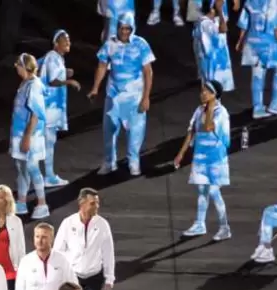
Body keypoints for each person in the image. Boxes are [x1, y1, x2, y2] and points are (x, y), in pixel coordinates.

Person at [91, 15, 156, 176]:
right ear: (117, 27)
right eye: (122, 28)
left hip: (135, 97)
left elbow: (148, 72)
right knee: (109, 129)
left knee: (136, 130)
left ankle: (134, 161)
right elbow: (102, 66)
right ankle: (108, 162)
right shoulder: (110, 44)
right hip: (113, 96)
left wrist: (146, 97)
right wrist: (95, 88)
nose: (124, 31)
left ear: (132, 28)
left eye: (128, 28)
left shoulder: (141, 44)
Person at [172, 83, 234, 242]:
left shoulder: (221, 112)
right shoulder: (199, 109)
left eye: (207, 91)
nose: (203, 93)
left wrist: (211, 107)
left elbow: (208, 127)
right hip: (200, 156)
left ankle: (224, 227)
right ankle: (200, 223)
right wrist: (181, 153)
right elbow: (192, 131)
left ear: (215, 95)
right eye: (203, 91)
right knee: (202, 191)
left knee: (213, 191)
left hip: (216, 158)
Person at [11, 55, 51, 219]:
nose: (16, 68)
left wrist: (27, 136)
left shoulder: (34, 86)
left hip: (31, 134)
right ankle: (21, 201)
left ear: (24, 67)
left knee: (33, 168)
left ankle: (42, 204)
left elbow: (35, 114)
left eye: (18, 65)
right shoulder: (25, 83)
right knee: (21, 168)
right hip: (19, 132)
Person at [37, 30, 78, 188]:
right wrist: (69, 81)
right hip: (50, 107)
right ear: (56, 43)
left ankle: (47, 175)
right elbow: (53, 81)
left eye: (69, 40)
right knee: (48, 142)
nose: (68, 43)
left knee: (48, 142)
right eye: (65, 40)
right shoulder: (53, 57)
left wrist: (65, 74)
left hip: (51, 107)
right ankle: (48, 176)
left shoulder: (54, 57)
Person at [238, 0, 277, 118]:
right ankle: (275, 103)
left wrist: (240, 41)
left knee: (257, 73)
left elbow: (244, 22)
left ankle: (257, 107)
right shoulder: (274, 2)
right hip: (269, 43)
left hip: (252, 42)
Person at [16, 224, 73, 290]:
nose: (39, 240)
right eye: (37, 236)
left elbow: (73, 287)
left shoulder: (62, 260)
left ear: (51, 239)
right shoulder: (26, 261)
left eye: (44, 237)